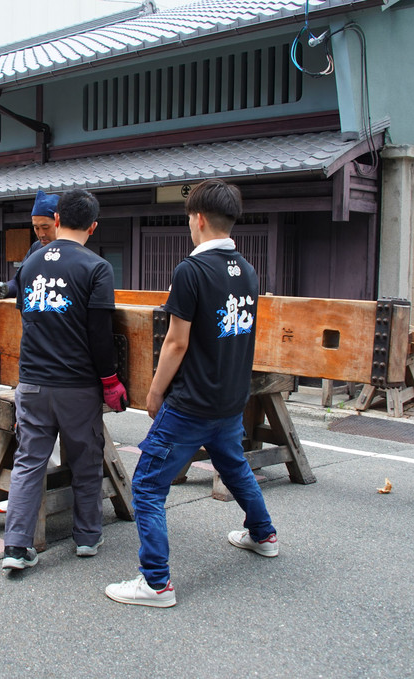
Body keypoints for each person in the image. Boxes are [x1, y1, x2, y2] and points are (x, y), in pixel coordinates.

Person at [105, 179, 277, 609]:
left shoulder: (192, 271)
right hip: (229, 398)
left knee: (145, 485)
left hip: (191, 402)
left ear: (197, 219)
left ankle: (156, 583)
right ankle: (263, 534)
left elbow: (176, 342)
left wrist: (155, 391)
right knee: (233, 466)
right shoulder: (247, 269)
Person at [1, 188, 128, 572]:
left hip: (33, 382)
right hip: (77, 385)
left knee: (29, 461)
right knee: (86, 459)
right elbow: (99, 332)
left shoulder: (30, 264)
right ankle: (87, 537)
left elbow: (26, 312)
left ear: (56, 220)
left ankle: (16, 547)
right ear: (93, 225)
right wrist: (110, 380)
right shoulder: (96, 267)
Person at [0, 190, 59, 299]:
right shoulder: (36, 248)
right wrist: (6, 288)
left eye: (46, 228)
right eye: (36, 228)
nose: (41, 234)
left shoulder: (72, 251)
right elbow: (19, 281)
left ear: (58, 222)